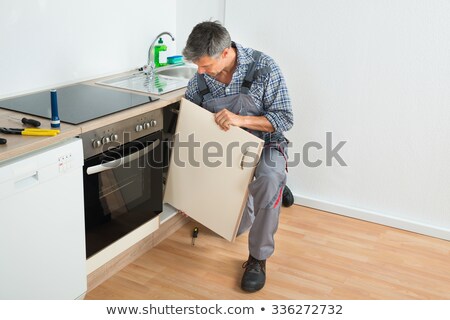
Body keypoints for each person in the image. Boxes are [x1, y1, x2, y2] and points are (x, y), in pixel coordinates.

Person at [182, 21, 294, 292]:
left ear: (225, 53)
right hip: (226, 151)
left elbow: (284, 119)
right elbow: (191, 122)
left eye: (205, 65)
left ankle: (258, 258)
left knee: (268, 179)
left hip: (267, 144)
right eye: (197, 65)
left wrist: (240, 120)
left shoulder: (264, 69)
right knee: (237, 226)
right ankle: (273, 189)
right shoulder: (199, 80)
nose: (200, 71)